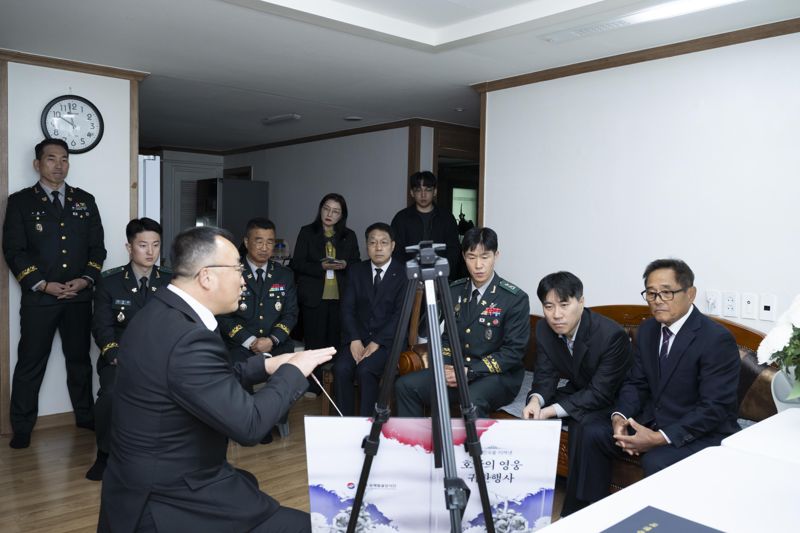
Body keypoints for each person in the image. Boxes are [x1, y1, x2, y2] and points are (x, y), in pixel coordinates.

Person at [98, 226, 335, 533]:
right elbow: (249, 425)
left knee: (249, 484)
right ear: (207, 277)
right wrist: (295, 370)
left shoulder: (159, 312)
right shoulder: (188, 337)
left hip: (137, 481)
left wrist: (265, 367)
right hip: (170, 498)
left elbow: (197, 381)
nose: (244, 279)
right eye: (238, 268)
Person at [572, 258, 741, 510]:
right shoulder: (648, 330)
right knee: (592, 429)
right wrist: (620, 416)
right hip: (653, 419)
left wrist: (660, 438)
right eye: (651, 293)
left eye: (667, 292)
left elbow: (714, 408)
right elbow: (636, 383)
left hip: (701, 432)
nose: (658, 299)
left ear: (690, 293)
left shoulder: (716, 339)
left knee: (656, 459)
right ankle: (585, 513)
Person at [2, 138, 106, 449]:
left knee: (79, 360)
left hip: (78, 297)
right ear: (37, 164)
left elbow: (97, 248)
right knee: (30, 362)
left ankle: (85, 415)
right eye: (51, 159)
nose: (59, 164)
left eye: (64, 159)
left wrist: (85, 280)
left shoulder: (84, 200)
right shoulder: (21, 202)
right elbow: (14, 250)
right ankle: (22, 427)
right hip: (39, 299)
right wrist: (42, 284)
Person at [522, 271, 633, 516]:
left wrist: (549, 411)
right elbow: (545, 375)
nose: (556, 314)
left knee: (583, 425)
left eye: (564, 304)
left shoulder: (610, 335)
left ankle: (577, 511)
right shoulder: (544, 329)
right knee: (531, 416)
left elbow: (601, 393)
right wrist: (535, 401)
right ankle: (524, 499)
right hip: (582, 389)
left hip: (615, 397)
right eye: (548, 306)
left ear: (581, 302)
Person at [395, 227, 530, 418]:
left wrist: (469, 372)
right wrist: (447, 366)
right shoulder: (454, 290)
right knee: (405, 386)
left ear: (496, 256)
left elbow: (512, 353)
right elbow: (446, 339)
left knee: (471, 400)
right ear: (463, 256)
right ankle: (414, 444)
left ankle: (474, 448)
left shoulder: (514, 299)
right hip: (457, 372)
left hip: (496, 377)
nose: (478, 265)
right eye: (471, 257)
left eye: (485, 257)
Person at [85, 218, 170, 481]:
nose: (150, 252)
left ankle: (171, 456)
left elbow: (178, 324)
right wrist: (115, 355)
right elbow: (102, 326)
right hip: (120, 359)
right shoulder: (110, 282)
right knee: (109, 396)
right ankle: (105, 455)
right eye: (143, 245)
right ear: (129, 247)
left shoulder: (171, 281)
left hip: (161, 360)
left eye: (155, 245)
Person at [291, 193, 360, 396]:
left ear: (342, 215)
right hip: (314, 297)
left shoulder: (349, 235)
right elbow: (298, 264)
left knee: (336, 344)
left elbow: (356, 263)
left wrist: (345, 264)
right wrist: (320, 266)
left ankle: (335, 386)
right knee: (315, 344)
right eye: (326, 209)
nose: (330, 214)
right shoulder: (307, 232)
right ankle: (314, 386)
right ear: (320, 209)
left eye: (335, 211)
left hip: (340, 298)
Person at [334, 222, 405, 416]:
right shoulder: (356, 271)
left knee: (365, 370)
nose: (378, 247)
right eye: (373, 242)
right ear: (367, 246)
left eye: (383, 242)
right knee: (341, 368)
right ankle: (344, 423)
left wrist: (377, 342)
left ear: (393, 245)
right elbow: (347, 308)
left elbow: (400, 316)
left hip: (386, 343)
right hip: (357, 338)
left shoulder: (404, 274)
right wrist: (354, 339)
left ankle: (369, 426)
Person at [219, 217, 298, 363]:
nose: (264, 248)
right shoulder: (231, 271)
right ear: (247, 242)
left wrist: (272, 340)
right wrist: (250, 341)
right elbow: (222, 315)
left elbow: (290, 314)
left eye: (270, 242)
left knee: (293, 381)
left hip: (277, 345)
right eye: (259, 241)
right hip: (240, 346)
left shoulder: (284, 274)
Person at [390, 171, 461, 280]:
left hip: (441, 277)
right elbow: (396, 251)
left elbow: (454, 250)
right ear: (412, 193)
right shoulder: (401, 218)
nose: (423, 195)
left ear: (435, 192)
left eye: (428, 190)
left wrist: (443, 271)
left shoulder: (446, 217)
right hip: (408, 279)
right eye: (418, 190)